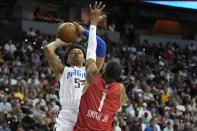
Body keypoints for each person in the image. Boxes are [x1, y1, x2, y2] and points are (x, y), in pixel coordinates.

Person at [44, 2, 106, 131]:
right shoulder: (62, 70)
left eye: (79, 52)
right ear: (67, 60)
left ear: (85, 60)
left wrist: (85, 32)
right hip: (66, 117)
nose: (76, 52)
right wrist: (63, 40)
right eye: (72, 52)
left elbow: (102, 46)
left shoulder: (90, 70)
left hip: (86, 115)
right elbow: (48, 49)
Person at [73, 2, 127, 131]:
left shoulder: (92, 78)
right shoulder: (120, 90)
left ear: (104, 69)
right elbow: (99, 47)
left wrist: (92, 24)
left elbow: (92, 48)